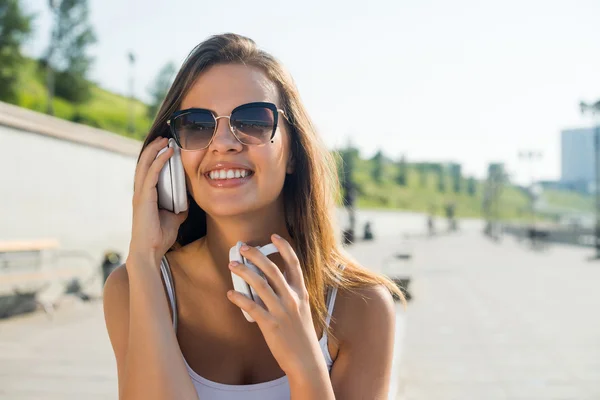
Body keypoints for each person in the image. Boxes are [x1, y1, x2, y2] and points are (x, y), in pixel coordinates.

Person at [102, 33, 404, 400]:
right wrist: (144, 259)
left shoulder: (361, 306)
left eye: (254, 121)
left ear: (294, 151)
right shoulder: (133, 287)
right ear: (172, 156)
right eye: (197, 124)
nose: (224, 142)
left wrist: (305, 364)